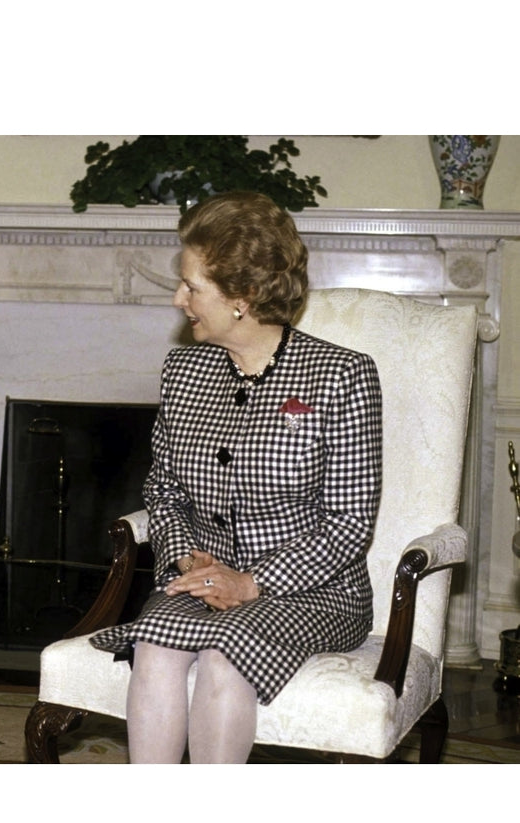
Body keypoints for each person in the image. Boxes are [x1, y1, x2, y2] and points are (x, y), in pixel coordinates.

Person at [90, 191, 383, 764]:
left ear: (242, 298)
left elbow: (348, 526)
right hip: (203, 579)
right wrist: (184, 557)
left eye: (192, 287)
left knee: (226, 654)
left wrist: (250, 582)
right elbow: (163, 488)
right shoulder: (185, 368)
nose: (178, 299)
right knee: (153, 643)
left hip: (313, 592)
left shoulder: (341, 376)